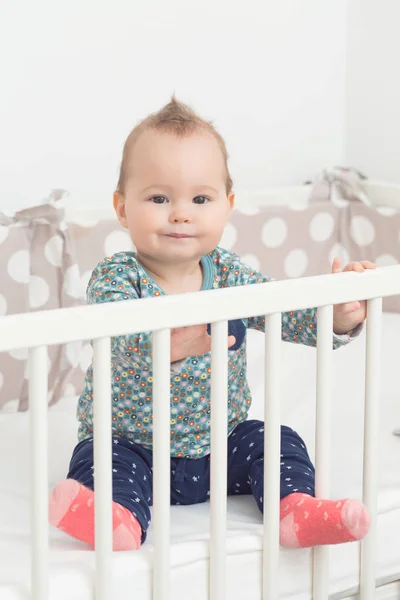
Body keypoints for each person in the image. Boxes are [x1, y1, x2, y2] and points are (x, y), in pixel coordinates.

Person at [49, 97, 375, 551]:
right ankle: (118, 521)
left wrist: (336, 313)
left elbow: (284, 312)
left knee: (277, 439)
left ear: (227, 206)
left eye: (200, 198)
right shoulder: (117, 277)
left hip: (222, 448)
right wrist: (169, 346)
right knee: (97, 456)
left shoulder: (230, 275)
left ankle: (295, 509)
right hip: (134, 446)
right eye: (159, 198)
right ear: (122, 209)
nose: (181, 212)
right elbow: (120, 338)